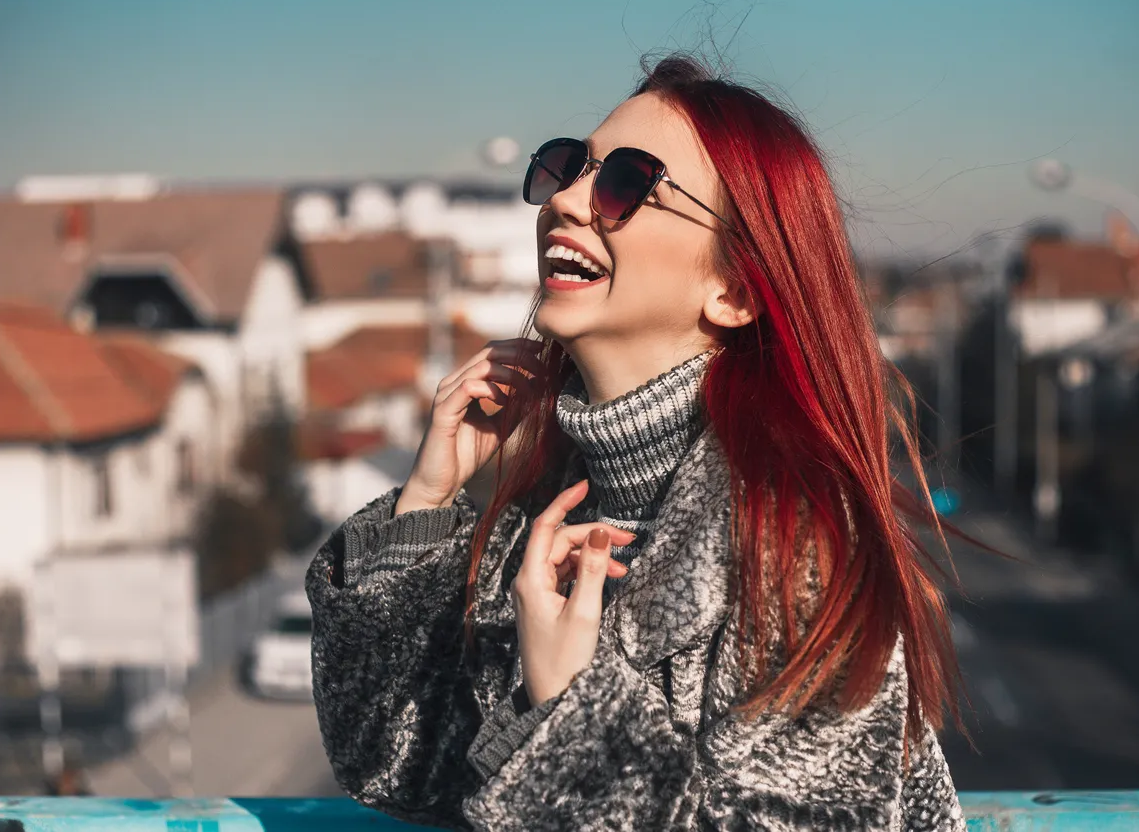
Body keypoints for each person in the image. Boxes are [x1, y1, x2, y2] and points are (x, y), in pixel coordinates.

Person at [308, 54, 967, 831]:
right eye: (568, 168)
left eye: (627, 182)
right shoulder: (553, 500)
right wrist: (426, 505)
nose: (569, 201)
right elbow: (395, 768)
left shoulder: (793, 540)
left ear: (735, 290)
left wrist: (569, 714)